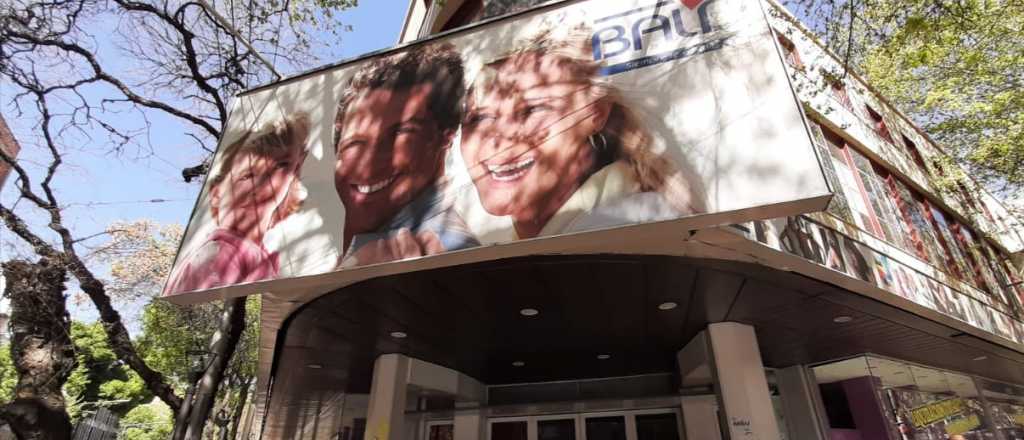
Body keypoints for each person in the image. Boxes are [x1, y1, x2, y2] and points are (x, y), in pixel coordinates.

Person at [459, 27, 706, 240]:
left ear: (595, 115)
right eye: (480, 117)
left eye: (533, 109)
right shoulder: (535, 238)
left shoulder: (632, 224)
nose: (498, 139)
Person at [333, 42, 479, 266]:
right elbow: (259, 302)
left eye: (401, 133)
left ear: (445, 138)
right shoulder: (356, 256)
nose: (370, 163)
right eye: (356, 142)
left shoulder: (449, 253)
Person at [164, 113, 310, 295]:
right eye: (247, 176)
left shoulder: (257, 255)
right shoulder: (220, 254)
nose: (262, 186)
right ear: (216, 193)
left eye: (277, 168)